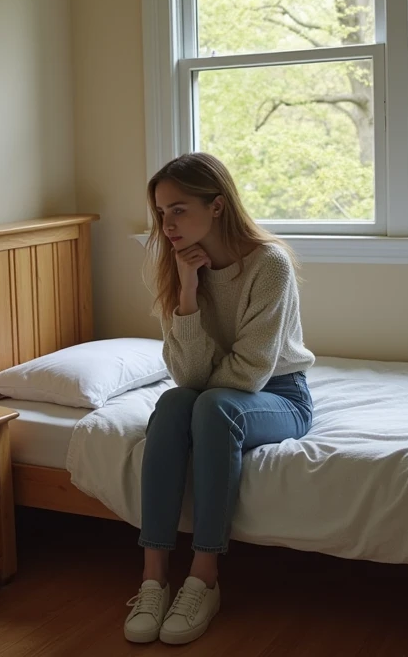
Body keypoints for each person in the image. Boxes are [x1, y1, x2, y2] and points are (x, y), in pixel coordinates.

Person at [124, 152, 315, 645]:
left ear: (217, 206)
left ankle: (204, 576)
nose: (167, 224)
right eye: (161, 212)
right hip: (217, 392)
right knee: (171, 405)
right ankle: (152, 579)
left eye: (179, 209)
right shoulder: (178, 268)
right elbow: (184, 377)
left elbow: (251, 373)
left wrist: (197, 395)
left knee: (206, 405)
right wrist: (187, 291)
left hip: (280, 395)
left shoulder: (268, 265)